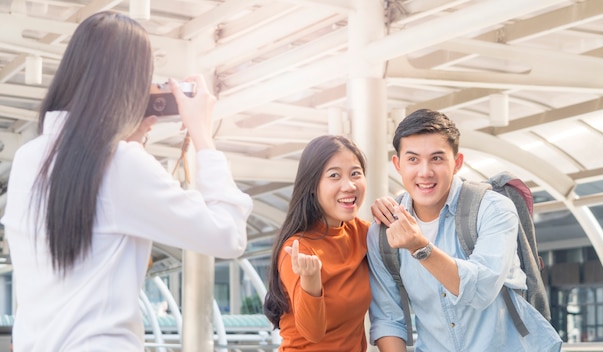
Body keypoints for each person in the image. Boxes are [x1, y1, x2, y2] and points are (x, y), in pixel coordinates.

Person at [1, 11, 252, 352]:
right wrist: (203, 137)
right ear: (130, 87)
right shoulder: (121, 164)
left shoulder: (28, 159)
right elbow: (228, 235)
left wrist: (125, 140)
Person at [366, 109, 562, 351]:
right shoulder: (382, 233)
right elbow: (388, 318)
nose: (425, 172)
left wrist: (420, 248)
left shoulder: (493, 209)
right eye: (413, 159)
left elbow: (482, 289)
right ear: (398, 165)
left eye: (437, 158)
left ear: (457, 162)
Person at [263, 135, 371, 351]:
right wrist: (311, 281)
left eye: (355, 174)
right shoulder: (296, 248)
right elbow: (312, 332)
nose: (349, 186)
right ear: (312, 185)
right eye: (334, 176)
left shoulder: (364, 233)